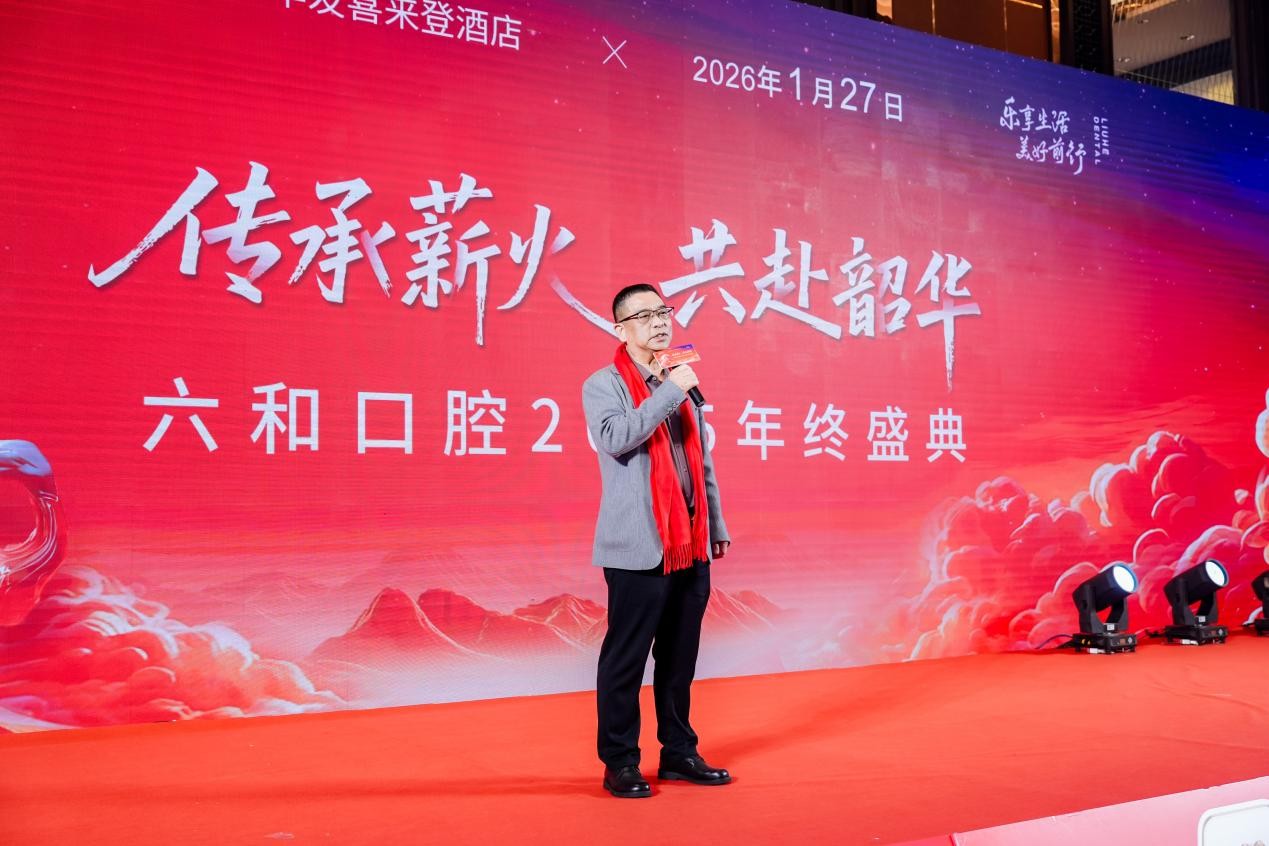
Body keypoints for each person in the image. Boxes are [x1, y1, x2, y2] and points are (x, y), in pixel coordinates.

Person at [582, 283, 732, 799]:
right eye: (644, 316)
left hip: (689, 542)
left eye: (663, 311)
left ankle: (679, 753)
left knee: (679, 658)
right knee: (625, 660)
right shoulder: (603, 384)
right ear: (620, 329)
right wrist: (670, 391)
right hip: (638, 547)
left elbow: (700, 460)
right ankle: (620, 762)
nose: (660, 322)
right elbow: (616, 438)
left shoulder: (678, 377)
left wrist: (715, 524)